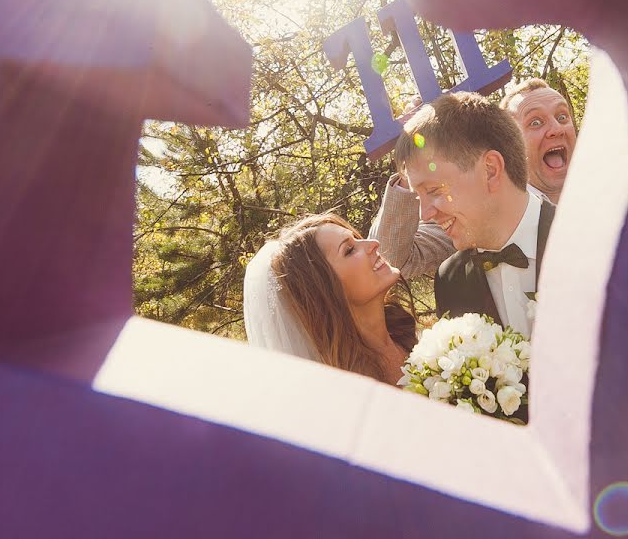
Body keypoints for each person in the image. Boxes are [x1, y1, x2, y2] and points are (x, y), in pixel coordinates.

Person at [368, 78, 574, 279]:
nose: (557, 129)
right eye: (535, 122)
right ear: (511, 140)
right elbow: (391, 259)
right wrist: (416, 160)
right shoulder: (478, 211)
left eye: (563, 117)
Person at [396, 92, 555, 337]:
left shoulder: (595, 239)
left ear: (490, 170)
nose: (425, 214)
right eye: (419, 196)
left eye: (433, 190)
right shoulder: (450, 281)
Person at [243, 213, 416, 385]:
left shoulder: (408, 335)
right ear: (323, 289)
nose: (373, 244)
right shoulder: (344, 386)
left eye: (356, 239)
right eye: (349, 250)